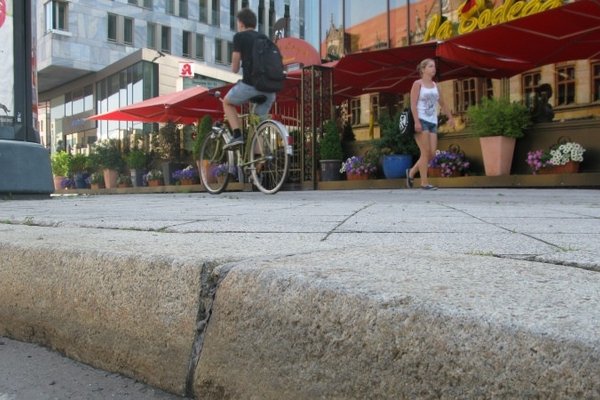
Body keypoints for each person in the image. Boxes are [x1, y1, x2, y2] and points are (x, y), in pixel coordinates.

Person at [222, 8, 276, 149]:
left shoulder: (240, 37)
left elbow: (234, 68)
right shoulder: (264, 38)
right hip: (270, 89)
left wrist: (233, 68)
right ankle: (257, 165)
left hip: (251, 85)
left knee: (227, 102)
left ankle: (237, 135)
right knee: (257, 126)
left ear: (240, 23)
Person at [406, 58, 454, 190]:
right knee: (425, 152)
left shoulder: (436, 86)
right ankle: (424, 183)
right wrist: (416, 121)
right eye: (430, 66)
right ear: (423, 69)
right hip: (421, 120)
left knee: (431, 154)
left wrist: (450, 118)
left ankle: (411, 172)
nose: (434, 69)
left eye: (434, 66)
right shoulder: (417, 84)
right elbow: (413, 104)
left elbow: (443, 104)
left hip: (433, 122)